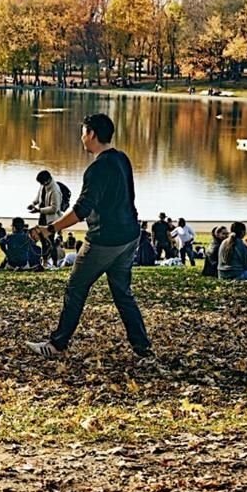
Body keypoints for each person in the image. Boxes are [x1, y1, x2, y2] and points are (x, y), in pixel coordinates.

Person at [27, 114, 153, 359]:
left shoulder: (97, 169)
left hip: (105, 239)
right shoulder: (122, 159)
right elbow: (129, 198)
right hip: (128, 236)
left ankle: (56, 345)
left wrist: (50, 229)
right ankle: (142, 348)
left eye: (84, 132)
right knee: (122, 293)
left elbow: (81, 210)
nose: (81, 138)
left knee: (75, 288)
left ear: (93, 134)